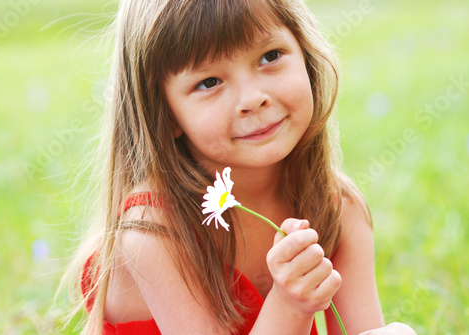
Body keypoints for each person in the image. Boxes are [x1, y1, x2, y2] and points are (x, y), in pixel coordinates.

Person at [59, 0, 417, 334]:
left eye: (270, 56)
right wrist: (290, 305)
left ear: (306, 57)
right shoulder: (153, 236)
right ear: (165, 115)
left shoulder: (336, 206)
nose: (252, 99)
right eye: (209, 82)